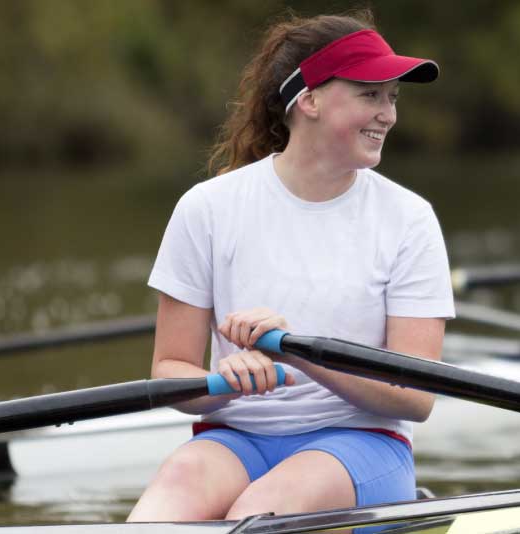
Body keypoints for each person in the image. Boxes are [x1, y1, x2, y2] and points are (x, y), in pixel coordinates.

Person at [127, 11, 453, 523]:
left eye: (392, 97)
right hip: (233, 438)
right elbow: (170, 370)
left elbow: (414, 396)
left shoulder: (409, 219)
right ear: (310, 100)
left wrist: (298, 354)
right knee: (156, 517)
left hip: (361, 440)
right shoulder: (206, 208)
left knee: (258, 516)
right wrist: (221, 380)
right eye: (371, 94)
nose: (387, 114)